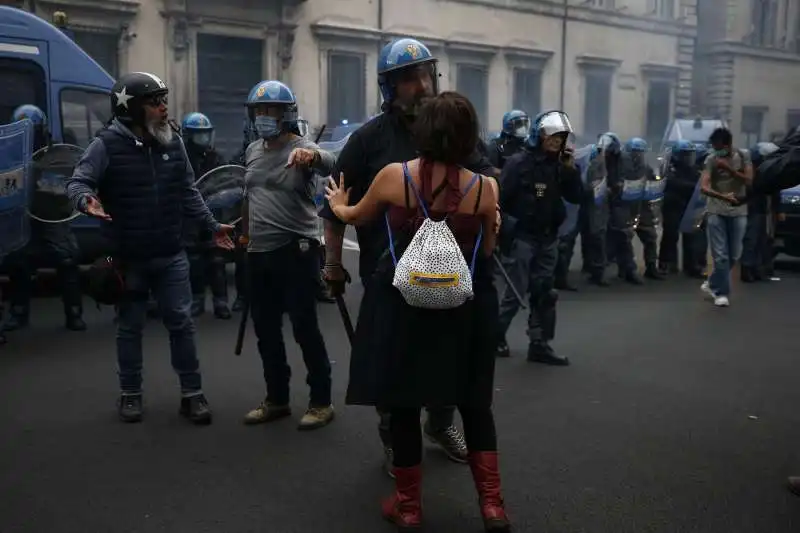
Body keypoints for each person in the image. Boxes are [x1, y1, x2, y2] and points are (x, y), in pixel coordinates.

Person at [326, 91, 509, 533]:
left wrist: (336, 202)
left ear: (423, 131)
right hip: (464, 310)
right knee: (474, 403)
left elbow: (354, 215)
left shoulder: (394, 176)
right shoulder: (486, 188)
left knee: (404, 402)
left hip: (402, 306)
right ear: (469, 137)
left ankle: (408, 507)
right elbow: (486, 251)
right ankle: (493, 507)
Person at [65, 71, 234, 424]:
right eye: (154, 102)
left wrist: (213, 225)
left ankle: (192, 395)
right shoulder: (106, 145)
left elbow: (189, 191)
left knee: (182, 323)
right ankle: (130, 395)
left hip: (171, 253)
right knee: (130, 326)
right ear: (130, 109)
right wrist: (85, 200)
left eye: (163, 100)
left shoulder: (173, 142)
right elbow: (78, 180)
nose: (163, 108)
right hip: (127, 258)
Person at [239, 80, 336, 431]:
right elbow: (250, 195)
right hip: (258, 251)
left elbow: (332, 163)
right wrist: (244, 234)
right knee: (266, 330)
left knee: (304, 327)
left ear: (286, 114)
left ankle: (321, 401)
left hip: (297, 250)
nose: (265, 117)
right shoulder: (252, 150)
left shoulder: (303, 148)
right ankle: (277, 398)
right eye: (260, 111)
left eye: (272, 111)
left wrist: (314, 156)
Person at [494, 110, 583, 363]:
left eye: (561, 138)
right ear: (539, 135)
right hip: (522, 237)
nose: (556, 142)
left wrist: (570, 170)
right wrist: (505, 236)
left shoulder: (560, 166)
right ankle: (495, 336)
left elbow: (577, 196)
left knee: (544, 292)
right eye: (552, 137)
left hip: (548, 238)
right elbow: (499, 202)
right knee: (515, 293)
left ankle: (539, 343)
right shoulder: (518, 164)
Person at [3, 104, 86, 332]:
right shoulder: (9, 155)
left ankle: (74, 312)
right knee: (17, 261)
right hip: (22, 216)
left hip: (51, 214)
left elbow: (66, 186)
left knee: (68, 259)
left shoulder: (56, 154)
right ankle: (18, 312)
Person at [180, 112, 231, 319]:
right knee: (194, 262)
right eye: (198, 134)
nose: (203, 138)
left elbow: (226, 180)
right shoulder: (181, 158)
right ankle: (197, 301)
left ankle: (221, 303)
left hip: (213, 214)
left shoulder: (215, 157)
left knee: (216, 261)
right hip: (189, 218)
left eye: (205, 134)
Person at [698, 127, 752, 307]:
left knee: (734, 254)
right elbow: (704, 187)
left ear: (728, 145)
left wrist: (729, 170)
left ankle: (712, 282)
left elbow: (749, 180)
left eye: (719, 147)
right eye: (714, 147)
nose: (716, 150)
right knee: (721, 256)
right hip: (716, 210)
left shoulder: (743, 156)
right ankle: (721, 293)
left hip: (739, 210)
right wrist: (722, 197)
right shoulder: (711, 159)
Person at [658, 140, 707, 277]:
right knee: (670, 235)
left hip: (689, 205)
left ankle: (692, 266)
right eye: (685, 155)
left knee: (691, 236)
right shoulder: (669, 168)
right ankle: (666, 264)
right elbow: (672, 182)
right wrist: (693, 187)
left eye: (690, 154)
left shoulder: (695, 169)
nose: (688, 158)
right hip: (672, 205)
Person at [626, 137, 665, 280]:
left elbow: (654, 184)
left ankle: (651, 267)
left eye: (641, 152)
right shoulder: (623, 167)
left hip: (643, 208)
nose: (638, 155)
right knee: (624, 239)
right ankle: (627, 269)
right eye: (635, 152)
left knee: (650, 237)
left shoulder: (647, 168)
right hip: (627, 208)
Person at [741, 142, 779, 282]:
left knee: (760, 240)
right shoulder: (752, 171)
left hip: (762, 209)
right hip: (754, 208)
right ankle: (747, 268)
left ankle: (755, 268)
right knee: (751, 239)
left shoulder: (764, 171)